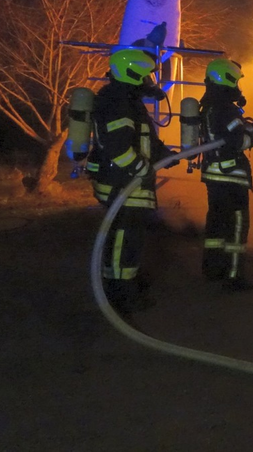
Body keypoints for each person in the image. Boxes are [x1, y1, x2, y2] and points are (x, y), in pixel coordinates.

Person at [88, 46, 176, 313]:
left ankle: (127, 282)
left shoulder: (128, 101)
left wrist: (167, 155)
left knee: (131, 239)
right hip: (121, 184)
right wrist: (142, 169)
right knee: (123, 240)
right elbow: (117, 146)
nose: (151, 81)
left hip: (129, 183)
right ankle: (119, 294)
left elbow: (144, 140)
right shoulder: (117, 101)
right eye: (147, 75)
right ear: (133, 73)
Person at [199, 58, 253, 290]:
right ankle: (233, 277)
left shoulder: (210, 105)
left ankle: (212, 270)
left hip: (215, 176)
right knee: (236, 228)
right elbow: (237, 141)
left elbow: (228, 134)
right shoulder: (226, 108)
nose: (238, 86)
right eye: (236, 80)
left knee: (216, 226)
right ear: (227, 79)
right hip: (231, 177)